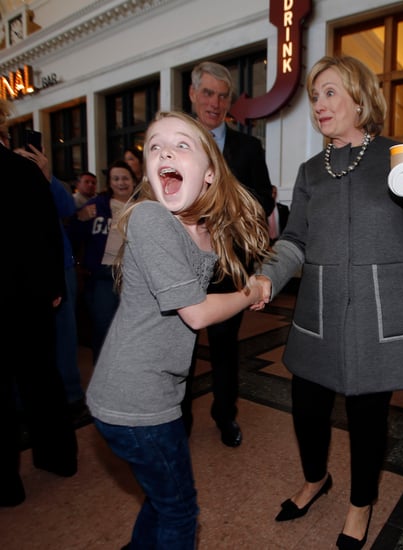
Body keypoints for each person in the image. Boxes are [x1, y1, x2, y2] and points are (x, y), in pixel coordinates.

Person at [253, 56, 403, 549]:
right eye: (315, 96)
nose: (319, 104)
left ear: (360, 98)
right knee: (307, 406)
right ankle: (317, 479)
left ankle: (361, 503)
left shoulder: (396, 156)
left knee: (367, 419)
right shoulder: (310, 171)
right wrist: (266, 278)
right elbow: (294, 239)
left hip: (378, 318)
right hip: (319, 313)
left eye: (330, 93)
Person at [86, 110, 270, 548]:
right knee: (180, 509)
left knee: (161, 499)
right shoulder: (151, 218)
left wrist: (256, 277)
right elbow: (196, 313)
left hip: (155, 394)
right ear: (149, 171)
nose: (165, 150)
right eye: (154, 147)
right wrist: (252, 292)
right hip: (134, 400)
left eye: (180, 145)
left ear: (209, 173)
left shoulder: (199, 227)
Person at [182, 60, 275, 446]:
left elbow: (262, 204)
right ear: (193, 94)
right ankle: (178, 420)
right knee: (180, 354)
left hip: (229, 267)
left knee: (224, 352)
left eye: (223, 96)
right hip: (180, 265)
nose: (215, 102)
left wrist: (229, 216)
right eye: (208, 93)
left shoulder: (248, 148)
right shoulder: (174, 143)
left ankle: (225, 416)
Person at [0, 101, 77, 507]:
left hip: (23, 295)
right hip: (31, 297)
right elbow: (46, 231)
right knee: (42, 381)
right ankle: (59, 458)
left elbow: (50, 226)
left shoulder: (26, 170)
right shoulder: (23, 171)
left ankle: (6, 485)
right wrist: (51, 286)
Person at [15, 145, 88, 424]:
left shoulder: (44, 179)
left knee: (65, 333)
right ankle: (23, 402)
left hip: (60, 264)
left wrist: (47, 175)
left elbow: (67, 208)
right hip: (22, 270)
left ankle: (71, 396)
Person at [70, 160, 138, 363]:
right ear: (109, 183)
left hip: (134, 278)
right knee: (103, 328)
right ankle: (103, 379)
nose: (120, 183)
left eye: (125, 178)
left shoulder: (143, 208)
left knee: (132, 332)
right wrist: (80, 219)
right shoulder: (96, 206)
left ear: (134, 181)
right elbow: (73, 237)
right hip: (103, 277)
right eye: (115, 179)